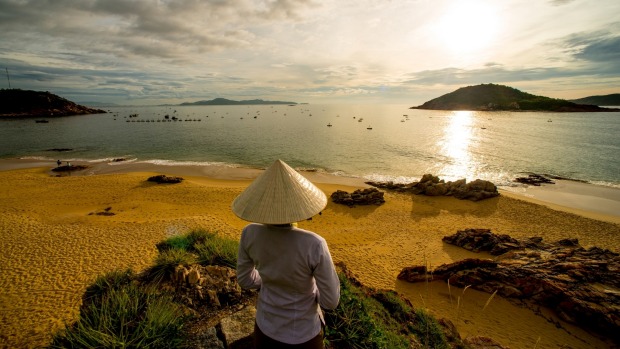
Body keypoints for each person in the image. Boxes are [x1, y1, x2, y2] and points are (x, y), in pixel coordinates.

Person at [232, 159, 340, 349]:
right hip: (304, 335)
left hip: (265, 330)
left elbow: (245, 280)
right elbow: (330, 302)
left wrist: (269, 280)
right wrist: (308, 292)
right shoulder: (314, 244)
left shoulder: (250, 233)